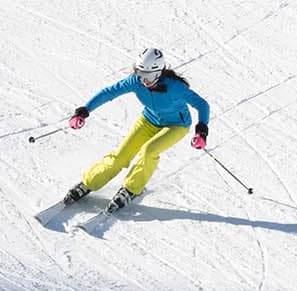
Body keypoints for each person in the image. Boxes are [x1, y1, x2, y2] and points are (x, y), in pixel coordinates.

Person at [62, 47, 212, 211]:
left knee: (149, 150)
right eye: (140, 74)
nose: (144, 80)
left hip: (176, 125)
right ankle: (88, 183)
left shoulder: (175, 87)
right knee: (120, 156)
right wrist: (84, 110)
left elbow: (202, 104)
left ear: (158, 72)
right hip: (148, 120)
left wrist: (202, 130)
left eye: (148, 76)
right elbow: (109, 92)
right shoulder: (136, 82)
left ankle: (131, 189)